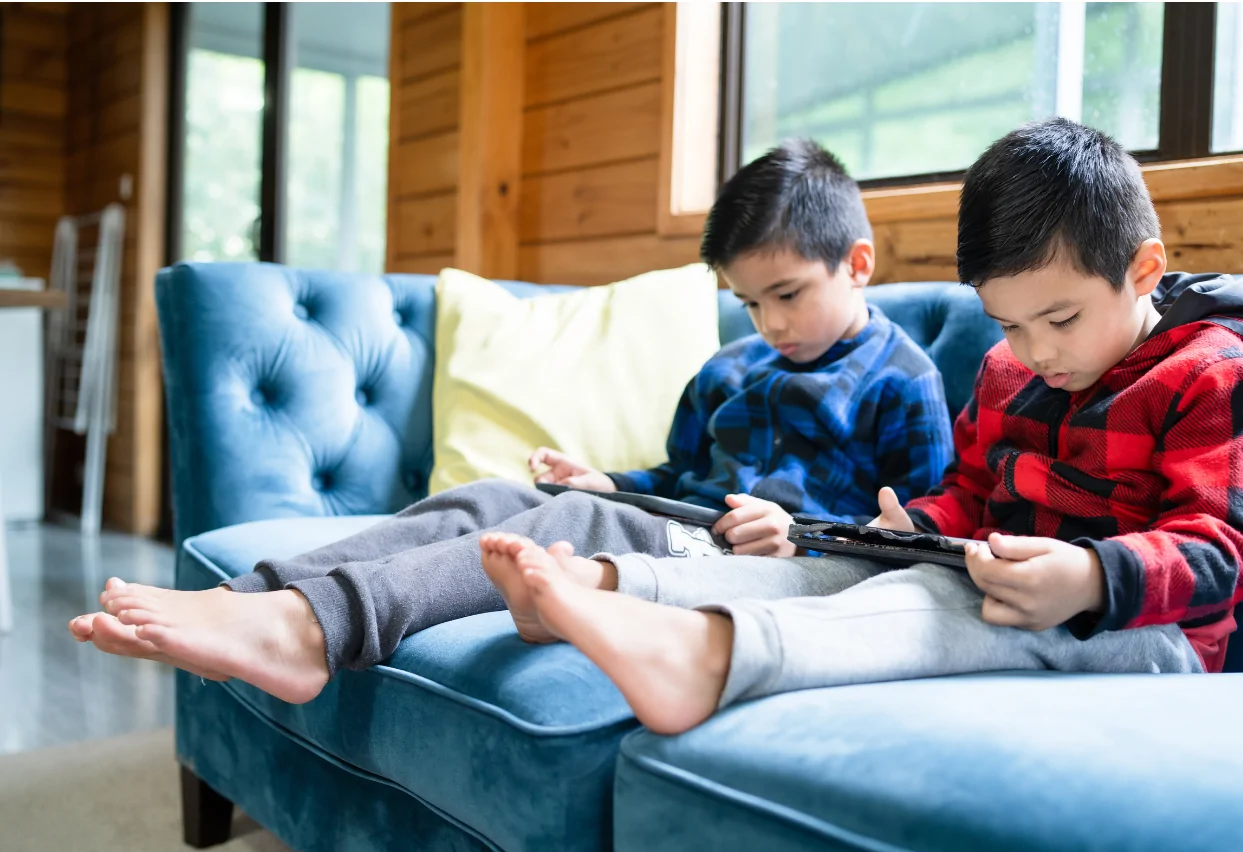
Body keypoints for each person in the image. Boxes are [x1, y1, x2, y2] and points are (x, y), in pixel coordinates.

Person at [474, 117, 1243, 735]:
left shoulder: (1213, 372)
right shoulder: (1012, 371)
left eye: (1060, 319)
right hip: (995, 584)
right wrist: (907, 528)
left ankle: (706, 658)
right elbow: (967, 491)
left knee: (935, 609)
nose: (1033, 353)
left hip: (1149, 638)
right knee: (838, 562)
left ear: (1143, 270)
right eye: (1007, 325)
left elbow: (1231, 547)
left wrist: (1093, 577)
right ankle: (606, 586)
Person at [70, 140, 954, 704]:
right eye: (750, 302)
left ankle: (313, 632)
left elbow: (919, 536)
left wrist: (803, 535)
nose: (770, 324)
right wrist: (610, 480)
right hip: (687, 526)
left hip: (767, 564)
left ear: (859, 263)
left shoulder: (902, 381)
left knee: (570, 528)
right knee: (499, 492)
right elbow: (676, 479)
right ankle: (249, 598)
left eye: (788, 296)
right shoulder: (731, 369)